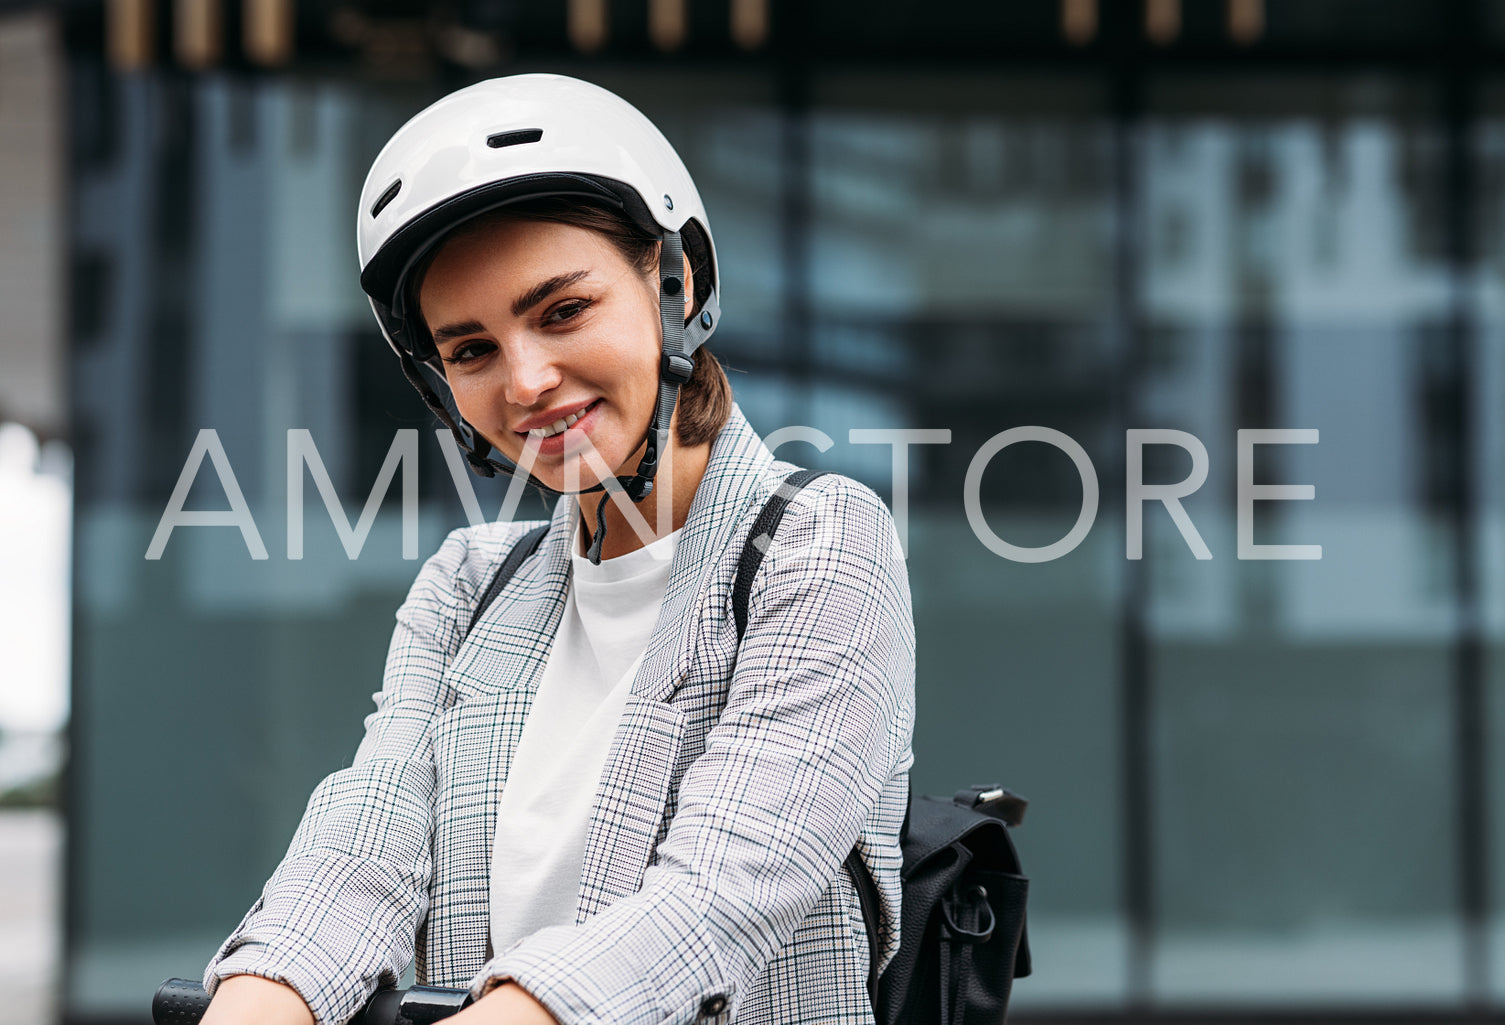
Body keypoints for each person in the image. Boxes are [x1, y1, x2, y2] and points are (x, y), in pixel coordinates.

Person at [199, 73, 915, 1025]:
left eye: (562, 310)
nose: (527, 380)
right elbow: (364, 843)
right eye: (471, 350)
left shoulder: (814, 545)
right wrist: (260, 997)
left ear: (675, 284)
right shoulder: (468, 588)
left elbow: (720, 895)